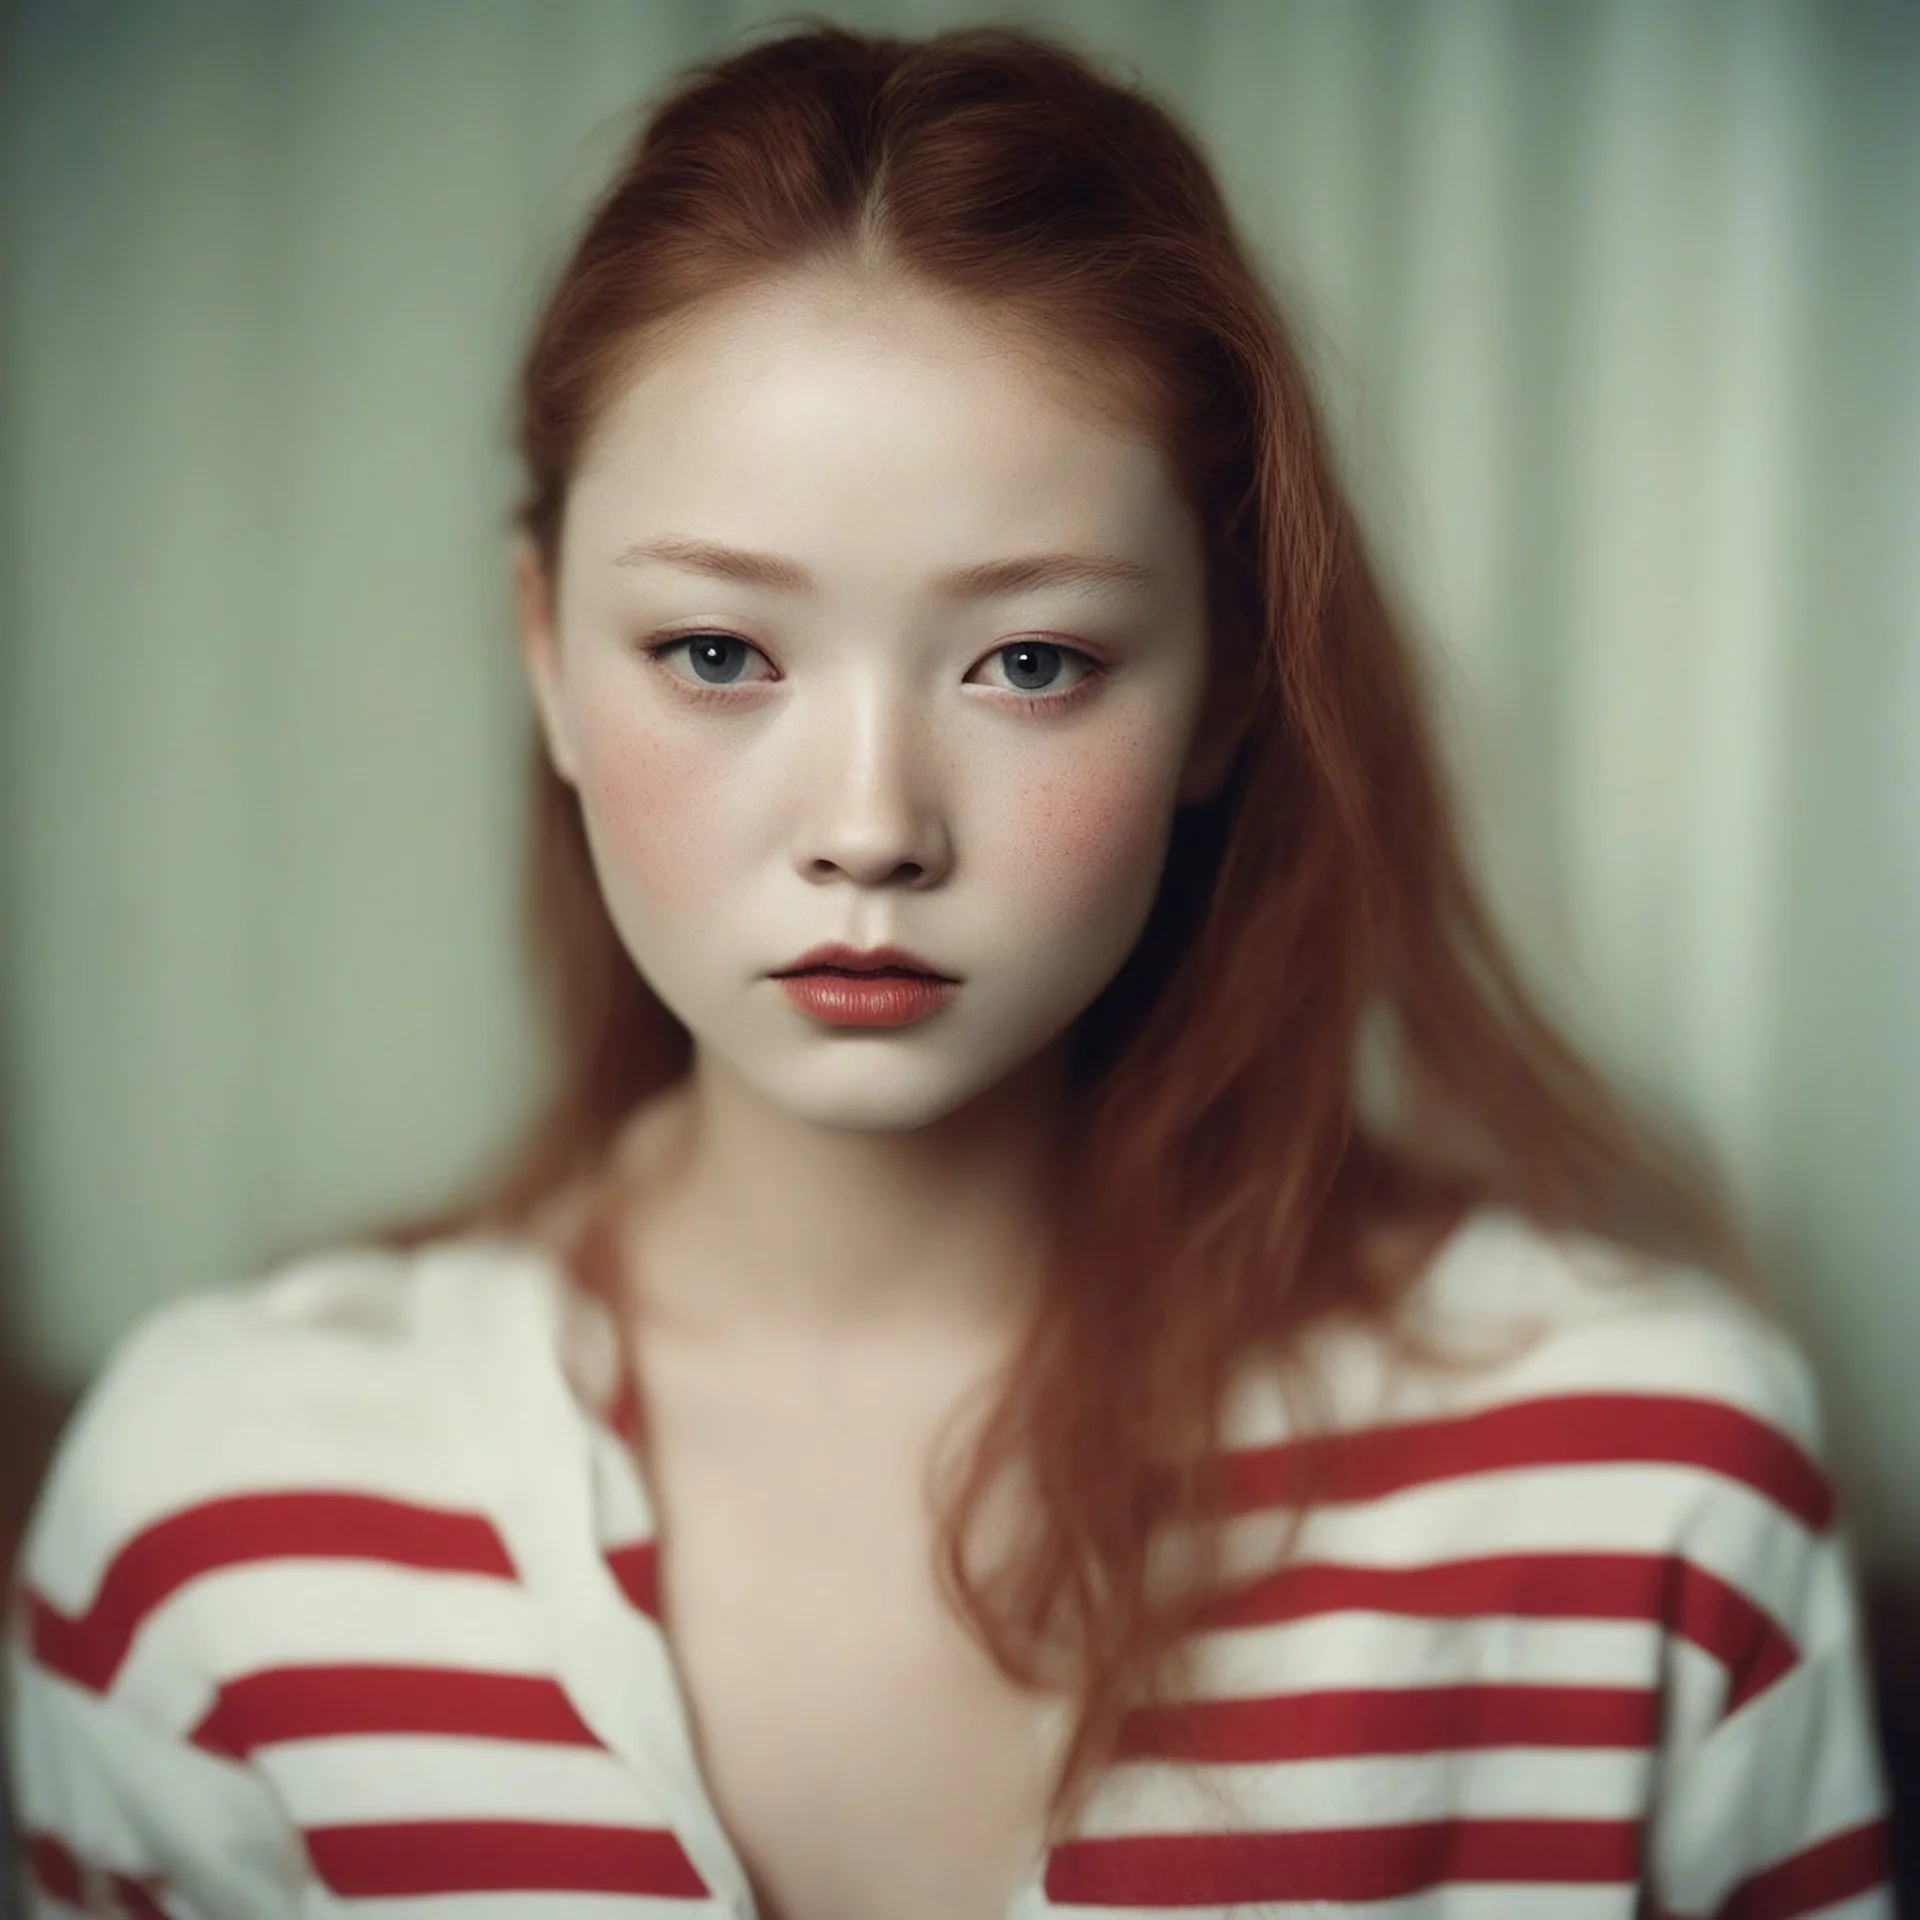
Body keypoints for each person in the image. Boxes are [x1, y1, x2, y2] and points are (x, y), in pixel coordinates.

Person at [4, 20, 1895, 1919]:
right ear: (542, 649)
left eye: (1031, 661)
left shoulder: (1639, 1490)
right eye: (721, 654)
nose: (874, 825)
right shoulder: (217, 1513)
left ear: (1229, 681)